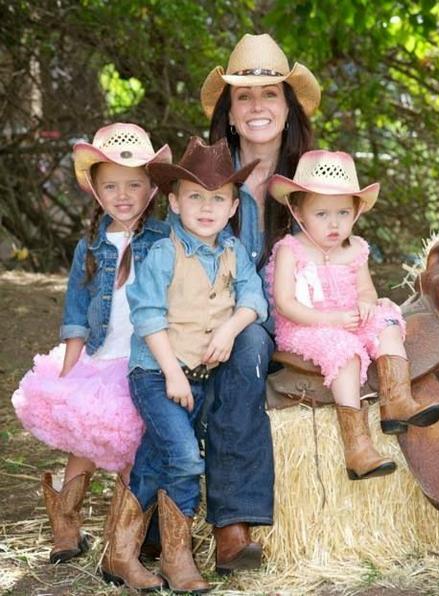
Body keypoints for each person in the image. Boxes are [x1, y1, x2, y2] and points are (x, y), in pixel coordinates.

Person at [12, 123, 171, 591]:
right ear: (96, 191)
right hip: (99, 362)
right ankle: (66, 526)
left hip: (139, 363)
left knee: (127, 456)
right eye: (111, 185)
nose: (123, 195)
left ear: (153, 187)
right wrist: (67, 373)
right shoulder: (91, 246)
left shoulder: (163, 239)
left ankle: (121, 546)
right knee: (82, 448)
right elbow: (77, 314)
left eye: (134, 184)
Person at [109, 136, 267, 593]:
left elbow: (253, 298)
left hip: (196, 377)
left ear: (233, 207)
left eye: (218, 198)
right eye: (195, 196)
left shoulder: (234, 253)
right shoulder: (162, 252)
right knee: (182, 457)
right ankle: (180, 560)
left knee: (153, 460)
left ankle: (120, 554)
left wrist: (229, 329)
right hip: (157, 374)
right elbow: (147, 317)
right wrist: (173, 373)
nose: (206, 207)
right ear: (174, 202)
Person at [192, 32, 322, 572]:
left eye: (270, 93)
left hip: (288, 320)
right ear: (228, 112)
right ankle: (157, 520)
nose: (257, 106)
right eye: (243, 96)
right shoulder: (206, 173)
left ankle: (231, 523)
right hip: (204, 312)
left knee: (244, 344)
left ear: (289, 107)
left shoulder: (312, 178)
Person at [266, 149, 439, 480]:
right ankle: (358, 447)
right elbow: (285, 302)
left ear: (356, 212)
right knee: (345, 353)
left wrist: (366, 303)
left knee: (387, 319)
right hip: (307, 326)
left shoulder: (356, 249)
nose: (334, 223)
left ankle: (397, 401)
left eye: (343, 213)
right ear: (299, 212)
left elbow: (366, 291)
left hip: (348, 318)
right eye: (321, 214)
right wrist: (330, 320)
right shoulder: (290, 250)